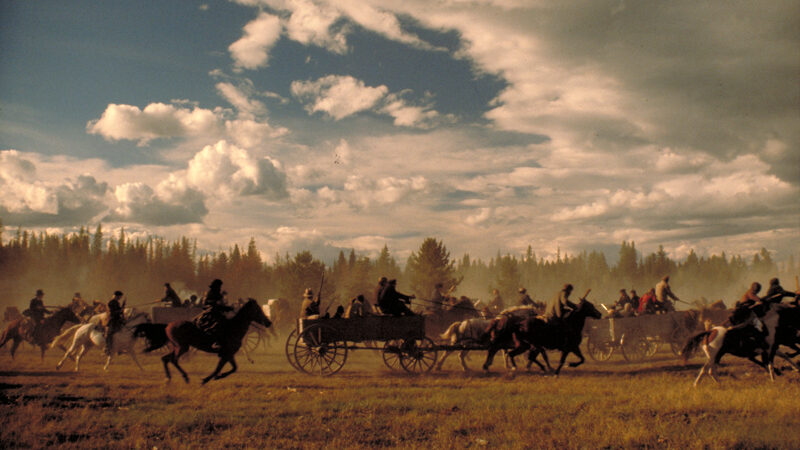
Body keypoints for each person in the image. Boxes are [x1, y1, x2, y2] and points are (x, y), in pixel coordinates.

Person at [194, 279, 233, 347]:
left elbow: (220, 303)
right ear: (216, 286)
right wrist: (226, 308)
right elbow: (215, 305)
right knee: (220, 323)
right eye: (219, 286)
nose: (220, 288)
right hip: (211, 311)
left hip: (214, 310)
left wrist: (226, 307)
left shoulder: (215, 293)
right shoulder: (212, 293)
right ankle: (216, 341)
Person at [105, 291, 126, 355]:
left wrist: (122, 308)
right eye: (120, 297)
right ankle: (107, 348)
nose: (120, 298)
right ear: (116, 296)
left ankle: (119, 348)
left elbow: (120, 311)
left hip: (118, 319)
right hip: (112, 320)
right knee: (110, 334)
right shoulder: (110, 302)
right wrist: (120, 310)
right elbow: (112, 312)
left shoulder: (117, 302)